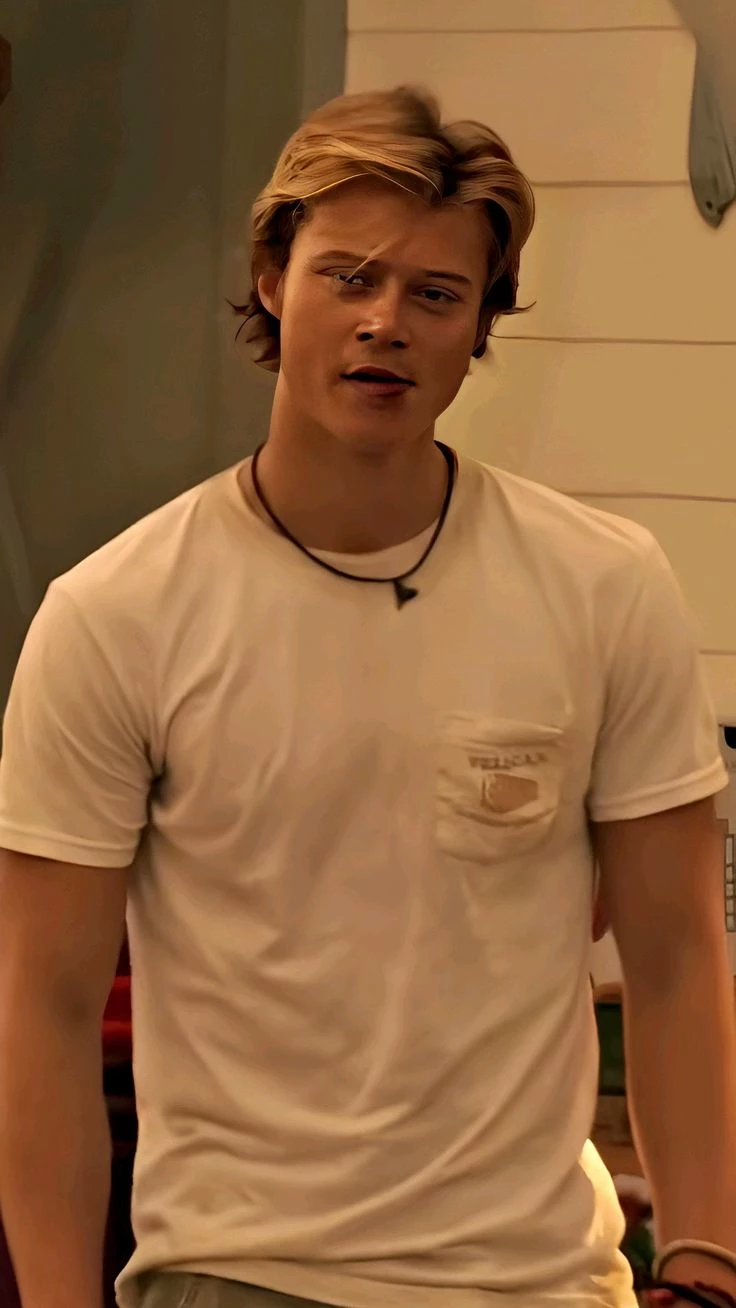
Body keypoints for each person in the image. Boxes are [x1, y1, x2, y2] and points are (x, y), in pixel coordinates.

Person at [0, 85, 735, 1308]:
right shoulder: (117, 613)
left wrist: (705, 1262)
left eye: (435, 294)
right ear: (272, 282)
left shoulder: (602, 586)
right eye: (348, 277)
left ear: (481, 324)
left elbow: (674, 957)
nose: (384, 322)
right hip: (235, 1270)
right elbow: (41, 1010)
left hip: (535, 1278)